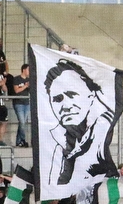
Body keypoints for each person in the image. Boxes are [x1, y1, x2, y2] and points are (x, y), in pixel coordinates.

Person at [43, 59, 116, 188]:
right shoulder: (55, 142)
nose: (65, 106)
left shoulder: (101, 130)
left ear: (91, 95)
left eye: (72, 95)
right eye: (57, 99)